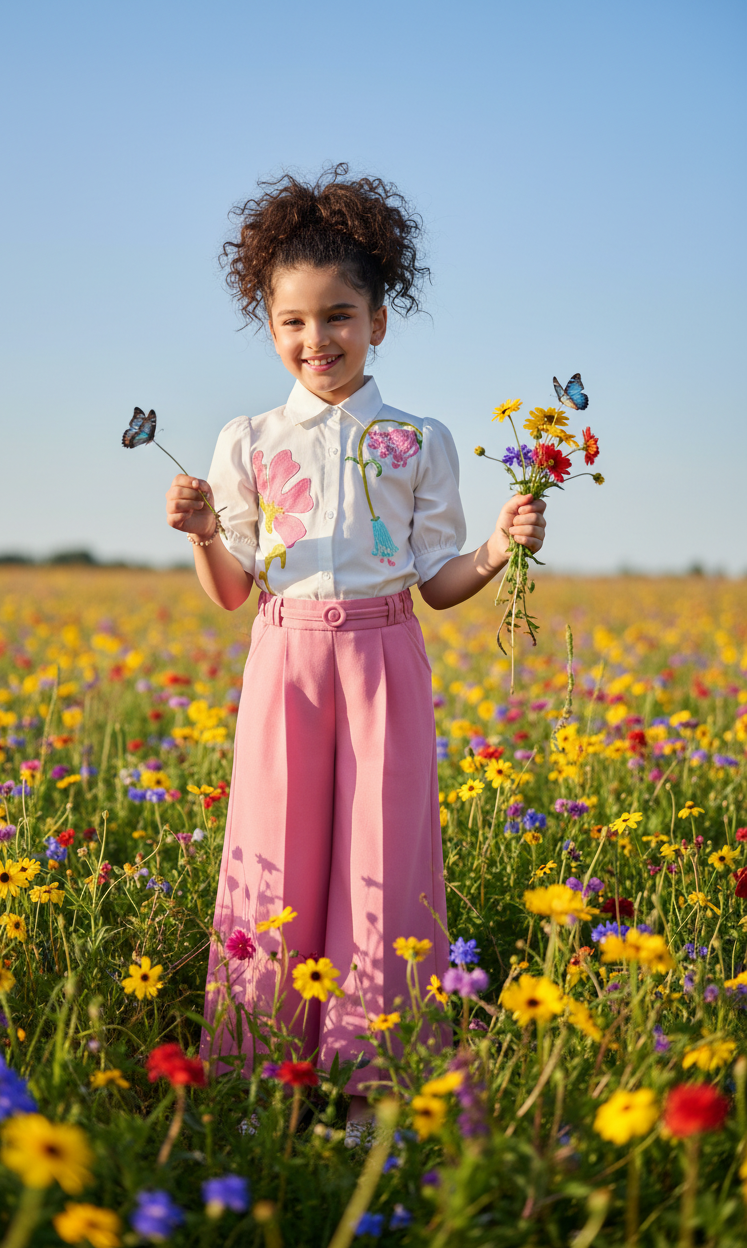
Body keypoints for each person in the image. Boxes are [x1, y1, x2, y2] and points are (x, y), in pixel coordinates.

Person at [165, 165, 546, 1135]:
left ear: (378, 319)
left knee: (384, 862)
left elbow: (437, 585)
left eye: (337, 316)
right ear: (269, 327)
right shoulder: (246, 440)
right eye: (291, 321)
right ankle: (262, 1078)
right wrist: (205, 532)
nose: (315, 340)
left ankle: (375, 1079)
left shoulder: (420, 440)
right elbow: (229, 594)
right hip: (283, 661)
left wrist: (500, 547)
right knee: (270, 855)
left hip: (384, 659)